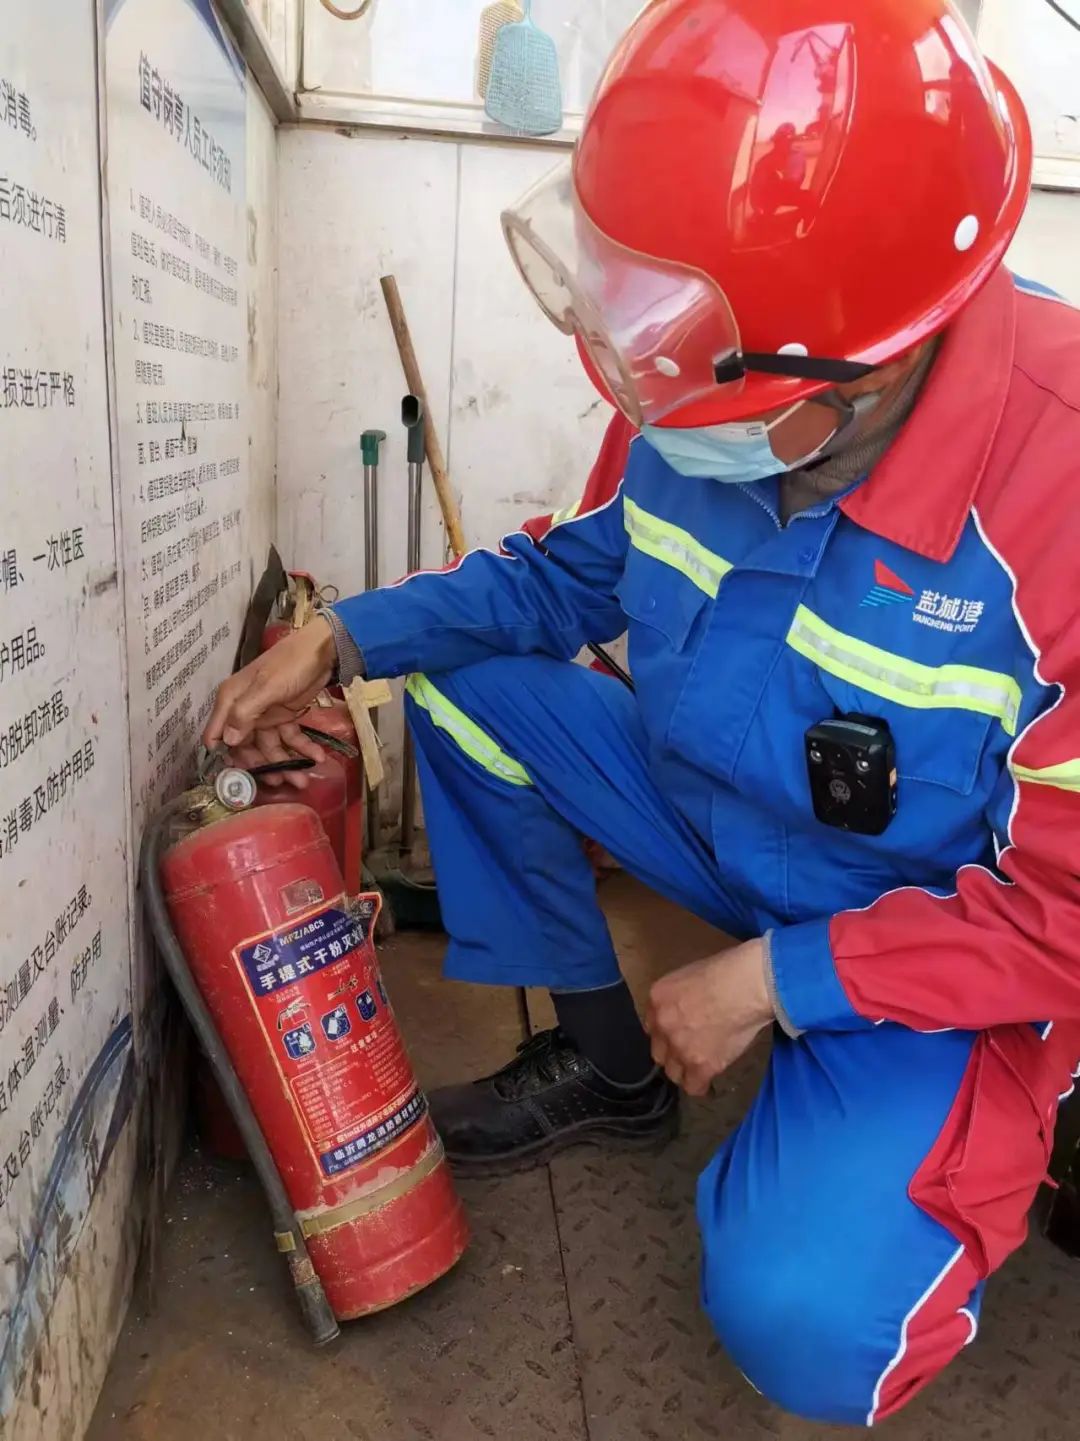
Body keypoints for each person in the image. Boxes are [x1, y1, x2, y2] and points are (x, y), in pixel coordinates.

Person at [204, 0, 1080, 1425]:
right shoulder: (707, 375)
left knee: (811, 1322)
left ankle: (939, 1145)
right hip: (720, 820)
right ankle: (615, 1070)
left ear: (866, 362)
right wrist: (342, 635)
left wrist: (779, 983)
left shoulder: (1058, 489)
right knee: (471, 691)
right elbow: (569, 576)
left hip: (926, 929)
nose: (649, 392)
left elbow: (1065, 915)